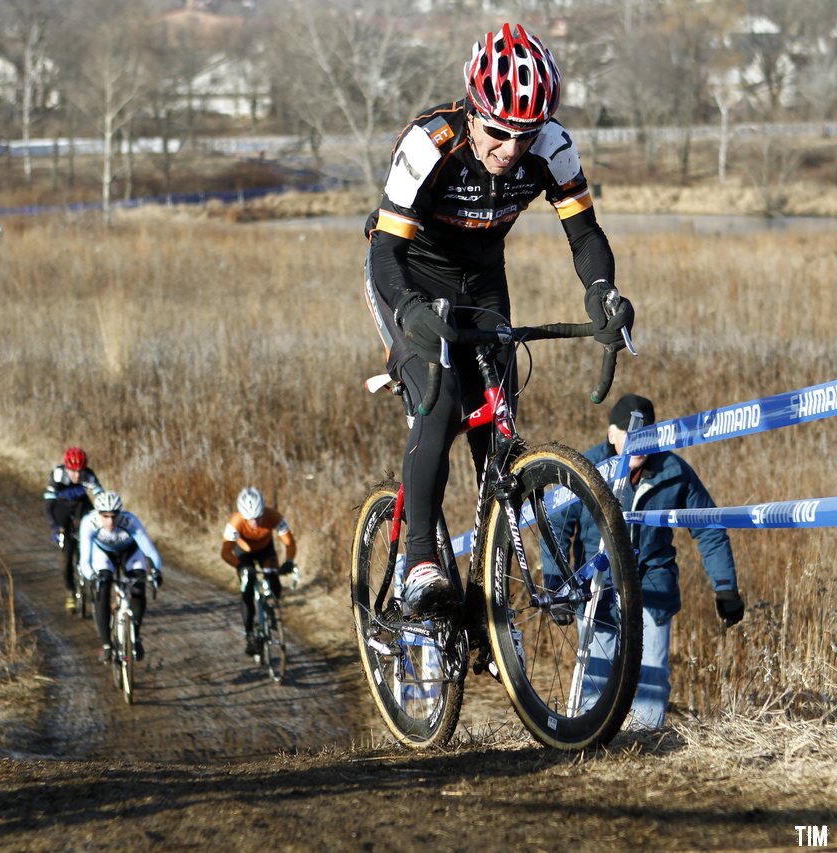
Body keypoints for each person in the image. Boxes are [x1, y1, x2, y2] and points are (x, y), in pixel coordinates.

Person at [362, 22, 634, 618]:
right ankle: (419, 561)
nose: (510, 149)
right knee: (442, 402)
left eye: (524, 134)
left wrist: (604, 292)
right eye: (497, 132)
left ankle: (491, 591)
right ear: (473, 109)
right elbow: (386, 251)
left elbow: (584, 233)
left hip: (482, 279)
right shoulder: (430, 142)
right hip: (410, 274)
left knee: (498, 434)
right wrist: (408, 310)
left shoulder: (553, 147)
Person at [544, 394, 745, 729]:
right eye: (628, 433)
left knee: (652, 672)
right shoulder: (585, 469)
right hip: (598, 586)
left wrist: (725, 588)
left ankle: (645, 738)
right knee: (596, 672)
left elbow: (708, 526)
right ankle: (590, 736)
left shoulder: (674, 472)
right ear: (611, 434)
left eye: (645, 434)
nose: (637, 442)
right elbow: (557, 528)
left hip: (653, 582)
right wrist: (556, 584)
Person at [79, 491, 163, 663]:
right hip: (103, 555)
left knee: (139, 588)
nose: (110, 521)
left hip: (129, 553)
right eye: (105, 516)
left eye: (114, 516)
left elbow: (150, 551)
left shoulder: (130, 521)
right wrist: (92, 576)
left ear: (120, 513)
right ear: (98, 514)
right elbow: (84, 561)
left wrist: (156, 571)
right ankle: (107, 645)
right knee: (102, 591)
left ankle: (136, 637)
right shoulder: (89, 522)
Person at [221, 486, 297, 657]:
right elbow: (225, 552)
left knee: (274, 582)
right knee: (247, 590)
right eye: (250, 519)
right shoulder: (236, 521)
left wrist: (289, 562)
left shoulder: (273, 516)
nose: (254, 523)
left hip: (265, 550)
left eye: (258, 517)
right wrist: (241, 566)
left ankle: (271, 613)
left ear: (263, 511)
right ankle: (249, 634)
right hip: (243, 554)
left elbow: (289, 543)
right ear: (243, 515)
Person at [43, 446, 105, 610]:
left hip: (81, 505)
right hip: (61, 507)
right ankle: (70, 590)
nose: (77, 475)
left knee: (90, 538)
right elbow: (49, 506)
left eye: (80, 471)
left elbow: (101, 498)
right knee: (66, 554)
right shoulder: (57, 475)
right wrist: (55, 527)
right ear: (67, 468)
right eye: (73, 471)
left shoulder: (89, 475)